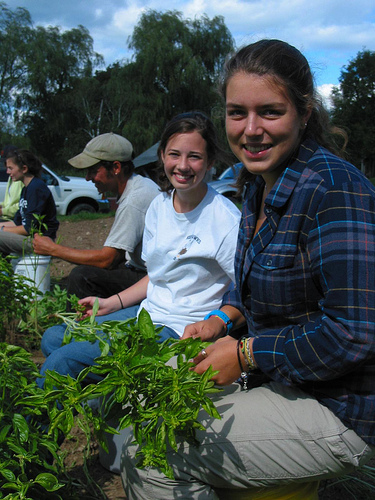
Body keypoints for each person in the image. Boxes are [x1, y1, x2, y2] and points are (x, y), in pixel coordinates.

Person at [120, 40, 375, 499]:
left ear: (304, 112)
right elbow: (250, 287)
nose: (251, 130)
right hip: (282, 378)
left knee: (149, 455)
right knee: (147, 393)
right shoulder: (258, 187)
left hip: (339, 406)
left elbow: (353, 332)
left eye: (270, 112)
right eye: (237, 112)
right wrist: (219, 321)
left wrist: (245, 354)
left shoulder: (333, 189)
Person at [37, 111, 241, 387]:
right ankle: (106, 394)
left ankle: (48, 422)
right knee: (52, 338)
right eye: (174, 154)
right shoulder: (159, 206)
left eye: (194, 156)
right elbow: (157, 275)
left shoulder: (224, 219)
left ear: (210, 162)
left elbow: (245, 289)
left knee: (63, 361)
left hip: (178, 330)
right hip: (145, 314)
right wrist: (111, 302)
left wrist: (218, 322)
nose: (182, 165)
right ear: (161, 156)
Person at [32, 132, 160, 306]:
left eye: (93, 170)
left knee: (82, 277)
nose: (87, 177)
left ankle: (80, 330)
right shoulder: (138, 185)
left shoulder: (134, 200)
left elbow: (107, 260)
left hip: (152, 279)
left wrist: (52, 249)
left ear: (116, 168)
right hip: (143, 269)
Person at [0, 149, 59, 256]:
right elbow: (17, 222)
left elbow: (29, 229)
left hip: (42, 241)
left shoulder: (36, 188)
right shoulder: (26, 189)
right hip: (30, 238)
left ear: (24, 169)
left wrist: (2, 230)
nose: (7, 172)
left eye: (10, 168)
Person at [0, 146, 23, 221]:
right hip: (6, 217)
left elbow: (21, 206)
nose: (7, 171)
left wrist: (2, 211)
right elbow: (8, 202)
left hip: (14, 219)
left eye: (10, 168)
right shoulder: (11, 178)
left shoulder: (21, 180)